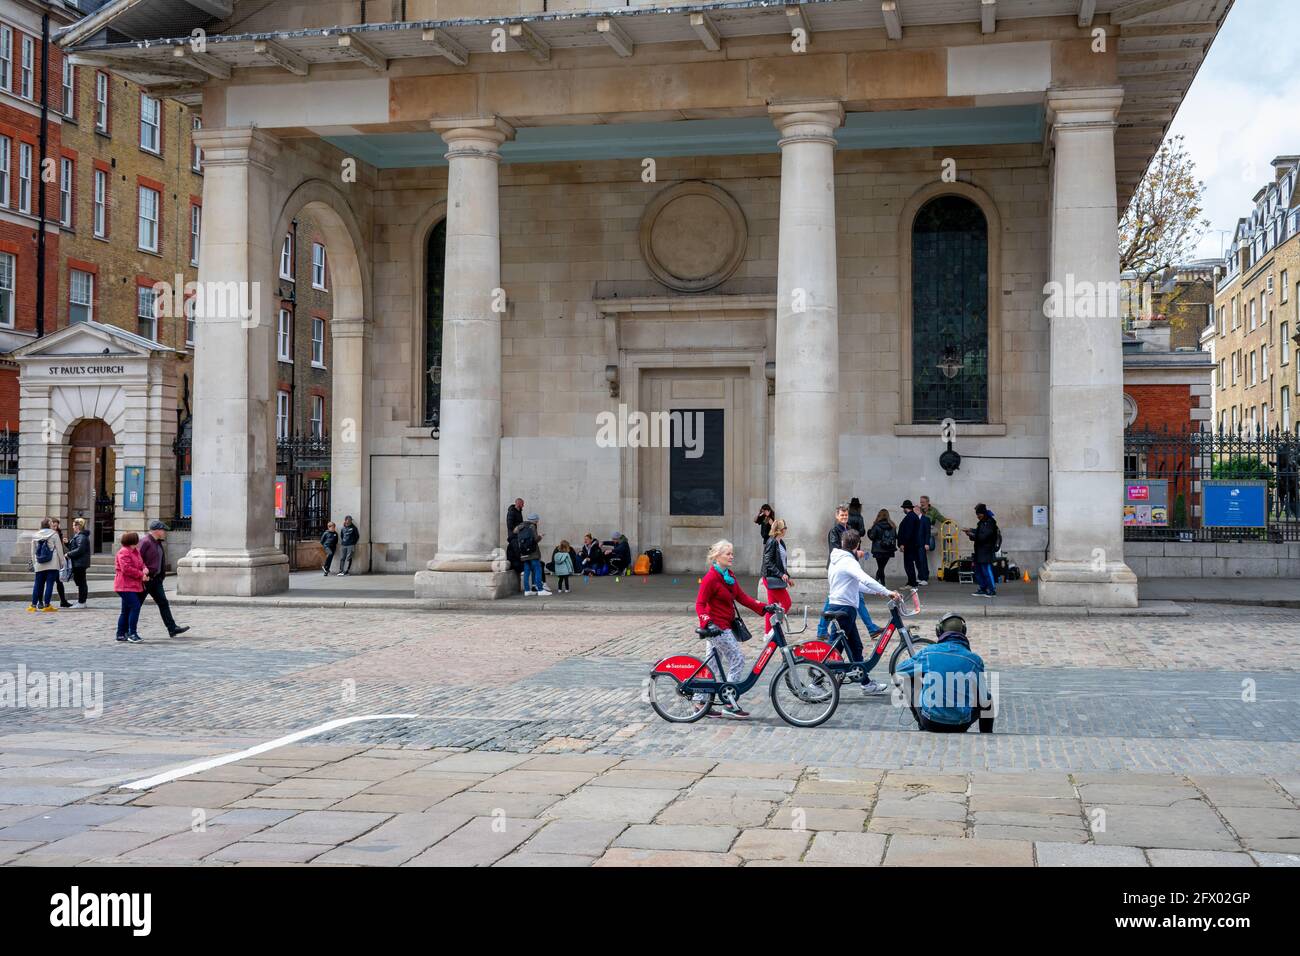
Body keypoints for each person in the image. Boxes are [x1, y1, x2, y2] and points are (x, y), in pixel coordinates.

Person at [694, 539, 772, 720]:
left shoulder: (729, 576)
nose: (731, 556)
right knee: (737, 659)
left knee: (711, 664)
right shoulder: (710, 578)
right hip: (717, 628)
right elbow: (700, 604)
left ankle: (699, 703)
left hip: (725, 624)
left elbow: (742, 597)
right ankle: (729, 703)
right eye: (728, 553)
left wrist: (763, 607)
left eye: (731, 553)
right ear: (717, 556)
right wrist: (706, 622)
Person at [827, 529, 900, 695]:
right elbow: (865, 579)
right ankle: (816, 681)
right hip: (844, 609)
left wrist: (877, 591)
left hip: (842, 607)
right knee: (834, 649)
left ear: (842, 543)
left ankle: (865, 683)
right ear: (857, 544)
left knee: (856, 648)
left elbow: (854, 584)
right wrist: (888, 591)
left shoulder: (837, 559)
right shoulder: (849, 562)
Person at [895, 611, 994, 733]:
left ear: (939, 631)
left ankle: (921, 725)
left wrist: (924, 674)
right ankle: (987, 735)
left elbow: (900, 669)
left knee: (909, 678)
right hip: (961, 724)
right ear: (964, 632)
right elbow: (984, 697)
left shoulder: (928, 653)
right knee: (987, 698)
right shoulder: (975, 660)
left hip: (930, 722)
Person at [817, 502, 880, 639]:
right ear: (837, 516)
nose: (844, 517)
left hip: (849, 567)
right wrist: (855, 554)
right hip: (840, 568)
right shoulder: (834, 531)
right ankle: (822, 630)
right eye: (842, 515)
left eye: (846, 515)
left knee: (857, 598)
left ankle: (871, 628)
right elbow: (835, 550)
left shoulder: (850, 528)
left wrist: (857, 552)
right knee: (834, 598)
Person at [138, 521, 190, 637]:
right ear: (157, 530)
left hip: (156, 580)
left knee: (163, 603)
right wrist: (142, 574)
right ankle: (128, 630)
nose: (165, 532)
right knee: (136, 605)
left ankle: (172, 628)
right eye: (163, 530)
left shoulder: (157, 542)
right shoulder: (145, 542)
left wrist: (161, 576)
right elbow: (138, 559)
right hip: (146, 580)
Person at [114, 531, 148, 644]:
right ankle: (132, 633)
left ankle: (120, 634)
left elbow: (141, 563)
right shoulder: (123, 552)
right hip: (124, 585)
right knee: (135, 607)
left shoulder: (135, 551)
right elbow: (126, 569)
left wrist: (144, 568)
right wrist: (141, 575)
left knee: (126, 610)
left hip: (132, 585)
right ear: (133, 541)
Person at [760, 518, 793, 635]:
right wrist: (781, 574)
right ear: (780, 530)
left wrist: (787, 576)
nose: (786, 529)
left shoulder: (781, 542)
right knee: (787, 603)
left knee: (772, 607)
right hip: (771, 578)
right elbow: (768, 562)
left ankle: (768, 633)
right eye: (785, 527)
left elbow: (781, 562)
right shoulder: (772, 542)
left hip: (775, 578)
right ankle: (776, 627)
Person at [28, 518, 66, 613]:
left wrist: (34, 563)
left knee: (37, 584)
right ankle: (47, 605)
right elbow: (60, 550)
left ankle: (33, 605)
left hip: (39, 563)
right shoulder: (54, 534)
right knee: (49, 584)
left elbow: (32, 552)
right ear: (49, 525)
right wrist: (63, 562)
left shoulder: (35, 535)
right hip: (52, 564)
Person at [964, 504, 1000, 597]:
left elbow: (983, 536)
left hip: (986, 551)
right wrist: (970, 531)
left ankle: (992, 590)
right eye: (977, 514)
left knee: (987, 570)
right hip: (979, 551)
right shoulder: (982, 522)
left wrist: (971, 534)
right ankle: (983, 588)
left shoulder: (990, 522)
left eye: (979, 514)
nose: (977, 516)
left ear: (983, 513)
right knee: (979, 571)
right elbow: (979, 532)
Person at [515, 513, 549, 596]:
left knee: (526, 571)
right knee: (538, 570)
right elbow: (535, 540)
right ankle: (540, 590)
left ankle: (527, 590)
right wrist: (540, 536)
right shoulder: (532, 526)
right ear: (534, 520)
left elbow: (515, 532)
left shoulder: (520, 526)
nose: (537, 522)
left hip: (523, 553)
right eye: (537, 520)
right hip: (533, 553)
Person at [898, 499, 928, 588]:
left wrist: (903, 543)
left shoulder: (910, 517)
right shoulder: (913, 516)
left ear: (905, 508)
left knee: (908, 565)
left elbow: (908, 532)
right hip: (912, 545)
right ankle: (911, 582)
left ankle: (912, 583)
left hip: (909, 545)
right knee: (910, 564)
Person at [866, 508, 897, 585]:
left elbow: (872, 537)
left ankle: (879, 582)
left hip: (878, 549)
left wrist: (869, 531)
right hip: (889, 549)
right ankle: (881, 583)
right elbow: (895, 536)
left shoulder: (876, 525)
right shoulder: (892, 525)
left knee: (880, 567)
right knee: (881, 567)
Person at [66, 517, 92, 608]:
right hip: (78, 563)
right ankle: (81, 601)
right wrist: (68, 543)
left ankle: (81, 602)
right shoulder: (79, 536)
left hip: (80, 563)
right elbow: (76, 546)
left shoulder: (81, 536)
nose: (73, 527)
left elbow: (80, 549)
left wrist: (68, 554)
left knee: (81, 583)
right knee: (81, 582)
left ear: (78, 526)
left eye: (74, 525)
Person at [48, 519, 73, 608]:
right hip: (50, 562)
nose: (55, 527)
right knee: (49, 583)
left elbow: (60, 548)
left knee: (59, 582)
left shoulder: (58, 534)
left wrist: (66, 543)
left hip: (57, 562)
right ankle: (44, 602)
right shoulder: (48, 534)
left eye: (57, 526)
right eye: (54, 526)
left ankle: (63, 601)